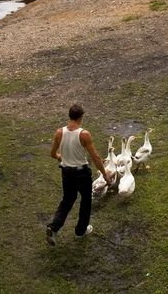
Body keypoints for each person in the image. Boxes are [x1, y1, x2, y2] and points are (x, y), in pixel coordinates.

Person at [46, 103, 111, 246]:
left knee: (67, 200)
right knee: (86, 201)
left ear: (70, 116)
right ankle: (80, 231)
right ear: (81, 117)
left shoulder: (59, 132)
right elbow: (95, 157)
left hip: (66, 172)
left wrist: (60, 157)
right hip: (81, 174)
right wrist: (105, 175)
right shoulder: (84, 134)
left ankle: (53, 227)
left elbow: (52, 154)